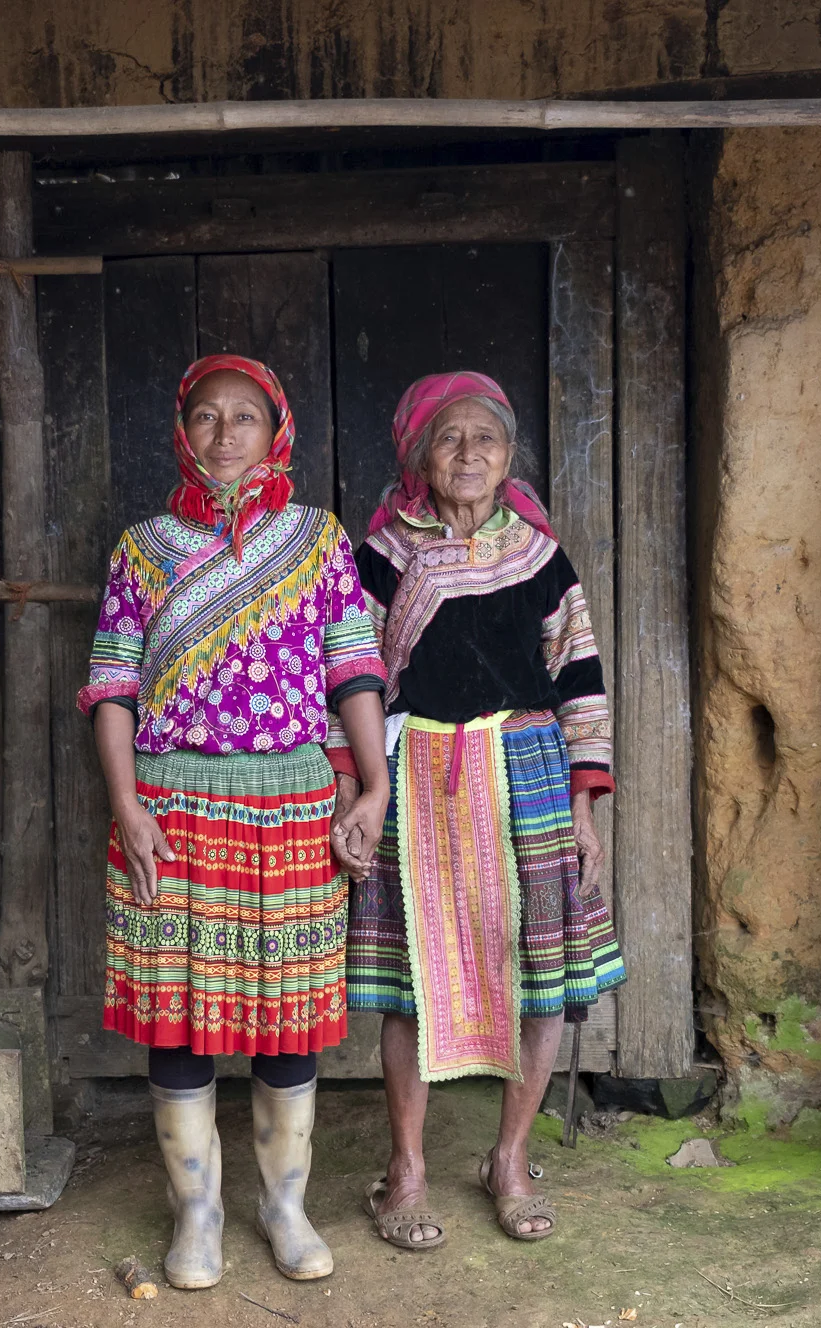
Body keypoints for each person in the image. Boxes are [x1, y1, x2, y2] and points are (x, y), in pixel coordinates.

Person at [80, 354, 390, 1289]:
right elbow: (110, 684)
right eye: (207, 417)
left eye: (244, 416)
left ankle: (284, 1207)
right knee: (178, 1022)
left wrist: (370, 788)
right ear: (184, 431)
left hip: (294, 800)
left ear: (275, 429)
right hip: (172, 805)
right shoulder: (144, 547)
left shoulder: (316, 538)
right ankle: (198, 1217)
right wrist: (126, 802)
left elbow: (352, 668)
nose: (225, 435)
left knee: (284, 1020)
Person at [327, 370, 626, 1250]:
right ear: (418, 454)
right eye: (449, 438)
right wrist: (356, 787)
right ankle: (407, 1170)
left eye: (486, 439)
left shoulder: (539, 555)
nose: (469, 453)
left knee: (537, 973)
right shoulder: (381, 554)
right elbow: (350, 676)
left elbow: (581, 677)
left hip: (526, 769)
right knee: (409, 981)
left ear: (507, 459)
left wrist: (584, 803)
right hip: (413, 773)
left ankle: (509, 1158)